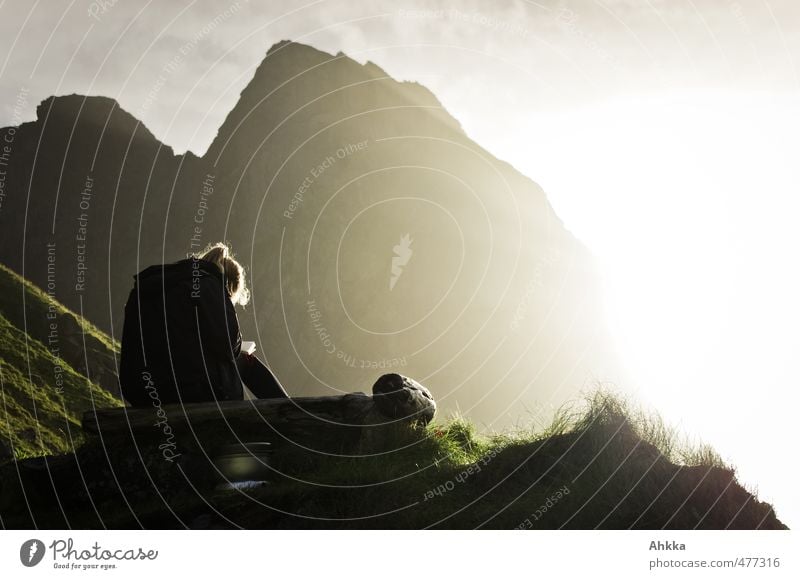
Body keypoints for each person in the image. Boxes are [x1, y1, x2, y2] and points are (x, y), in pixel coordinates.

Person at [119, 242, 288, 406]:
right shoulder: (211, 286)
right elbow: (229, 345)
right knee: (245, 360)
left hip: (141, 391)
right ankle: (290, 409)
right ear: (229, 286)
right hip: (188, 392)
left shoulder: (160, 282)